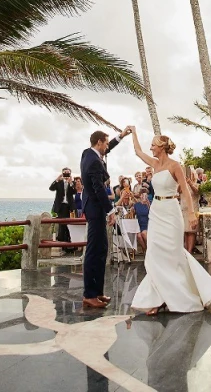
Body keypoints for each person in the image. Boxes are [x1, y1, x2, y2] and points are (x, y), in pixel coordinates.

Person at [128, 126, 211, 314]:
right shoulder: (155, 165)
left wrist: (191, 214)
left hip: (171, 211)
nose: (151, 148)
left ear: (162, 147)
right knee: (154, 253)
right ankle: (157, 298)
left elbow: (186, 190)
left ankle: (178, 295)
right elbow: (137, 152)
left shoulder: (175, 166)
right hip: (156, 211)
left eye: (153, 145)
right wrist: (133, 132)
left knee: (172, 254)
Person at [80, 126, 132, 308]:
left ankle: (98, 291)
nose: (106, 147)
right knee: (94, 251)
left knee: (102, 249)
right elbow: (98, 188)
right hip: (95, 210)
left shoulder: (89, 154)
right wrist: (110, 211)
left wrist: (121, 136)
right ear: (99, 142)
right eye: (105, 143)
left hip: (95, 208)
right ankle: (89, 294)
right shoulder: (94, 161)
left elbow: (108, 147)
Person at [49, 167, 75, 249]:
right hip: (61, 206)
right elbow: (51, 188)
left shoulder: (72, 183)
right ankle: (61, 244)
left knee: (69, 225)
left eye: (68, 173)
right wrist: (57, 179)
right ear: (62, 173)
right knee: (61, 225)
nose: (66, 175)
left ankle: (68, 244)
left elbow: (74, 191)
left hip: (69, 206)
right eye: (65, 173)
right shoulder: (59, 182)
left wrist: (71, 183)